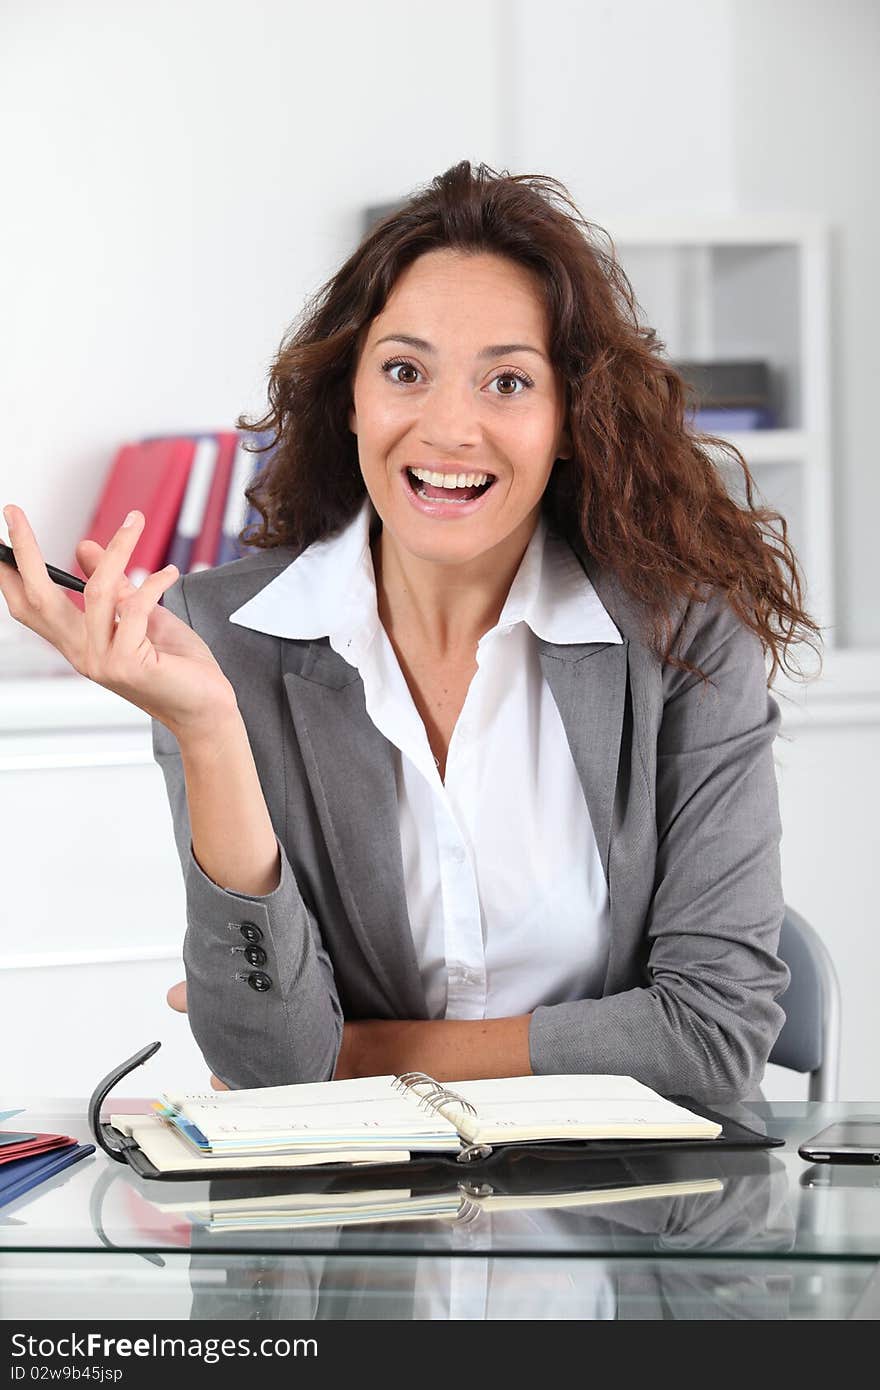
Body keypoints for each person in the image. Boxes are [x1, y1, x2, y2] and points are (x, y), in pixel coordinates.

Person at [0, 161, 821, 1102]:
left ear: (569, 418)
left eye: (507, 382)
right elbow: (269, 1065)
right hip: (346, 1232)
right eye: (404, 371)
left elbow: (714, 1036)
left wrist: (358, 1054)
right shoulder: (218, 637)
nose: (449, 428)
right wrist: (209, 731)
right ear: (350, 396)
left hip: (639, 1227)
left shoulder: (687, 638)